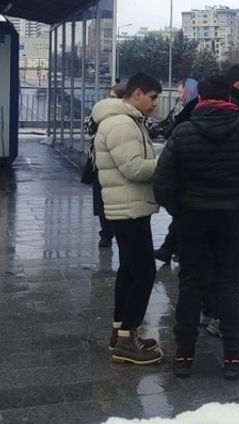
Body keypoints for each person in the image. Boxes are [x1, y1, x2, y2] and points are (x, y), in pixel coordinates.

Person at [154, 74, 239, 381]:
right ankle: (233, 358)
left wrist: (178, 212)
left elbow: (163, 181)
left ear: (201, 99)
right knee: (229, 286)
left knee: (191, 285)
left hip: (192, 219)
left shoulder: (183, 133)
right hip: (232, 220)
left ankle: (183, 357)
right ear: (230, 99)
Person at [92, 74, 165, 366]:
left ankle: (120, 331)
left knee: (130, 270)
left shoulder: (122, 120)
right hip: (129, 208)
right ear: (137, 94)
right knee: (144, 272)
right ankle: (127, 340)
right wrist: (166, 161)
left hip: (127, 206)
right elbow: (134, 169)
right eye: (152, 97)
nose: (155, 104)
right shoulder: (122, 124)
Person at [154, 78, 199, 264]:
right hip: (187, 171)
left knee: (183, 214)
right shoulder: (187, 108)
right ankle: (171, 249)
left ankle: (172, 249)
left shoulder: (191, 111)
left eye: (181, 92)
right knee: (184, 215)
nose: (178, 96)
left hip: (187, 170)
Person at [85, 87, 118, 249]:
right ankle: (106, 233)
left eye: (115, 97)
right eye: (110, 96)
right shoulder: (98, 113)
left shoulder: (130, 115)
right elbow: (89, 127)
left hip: (118, 163)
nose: (111, 100)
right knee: (101, 199)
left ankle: (110, 232)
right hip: (99, 162)